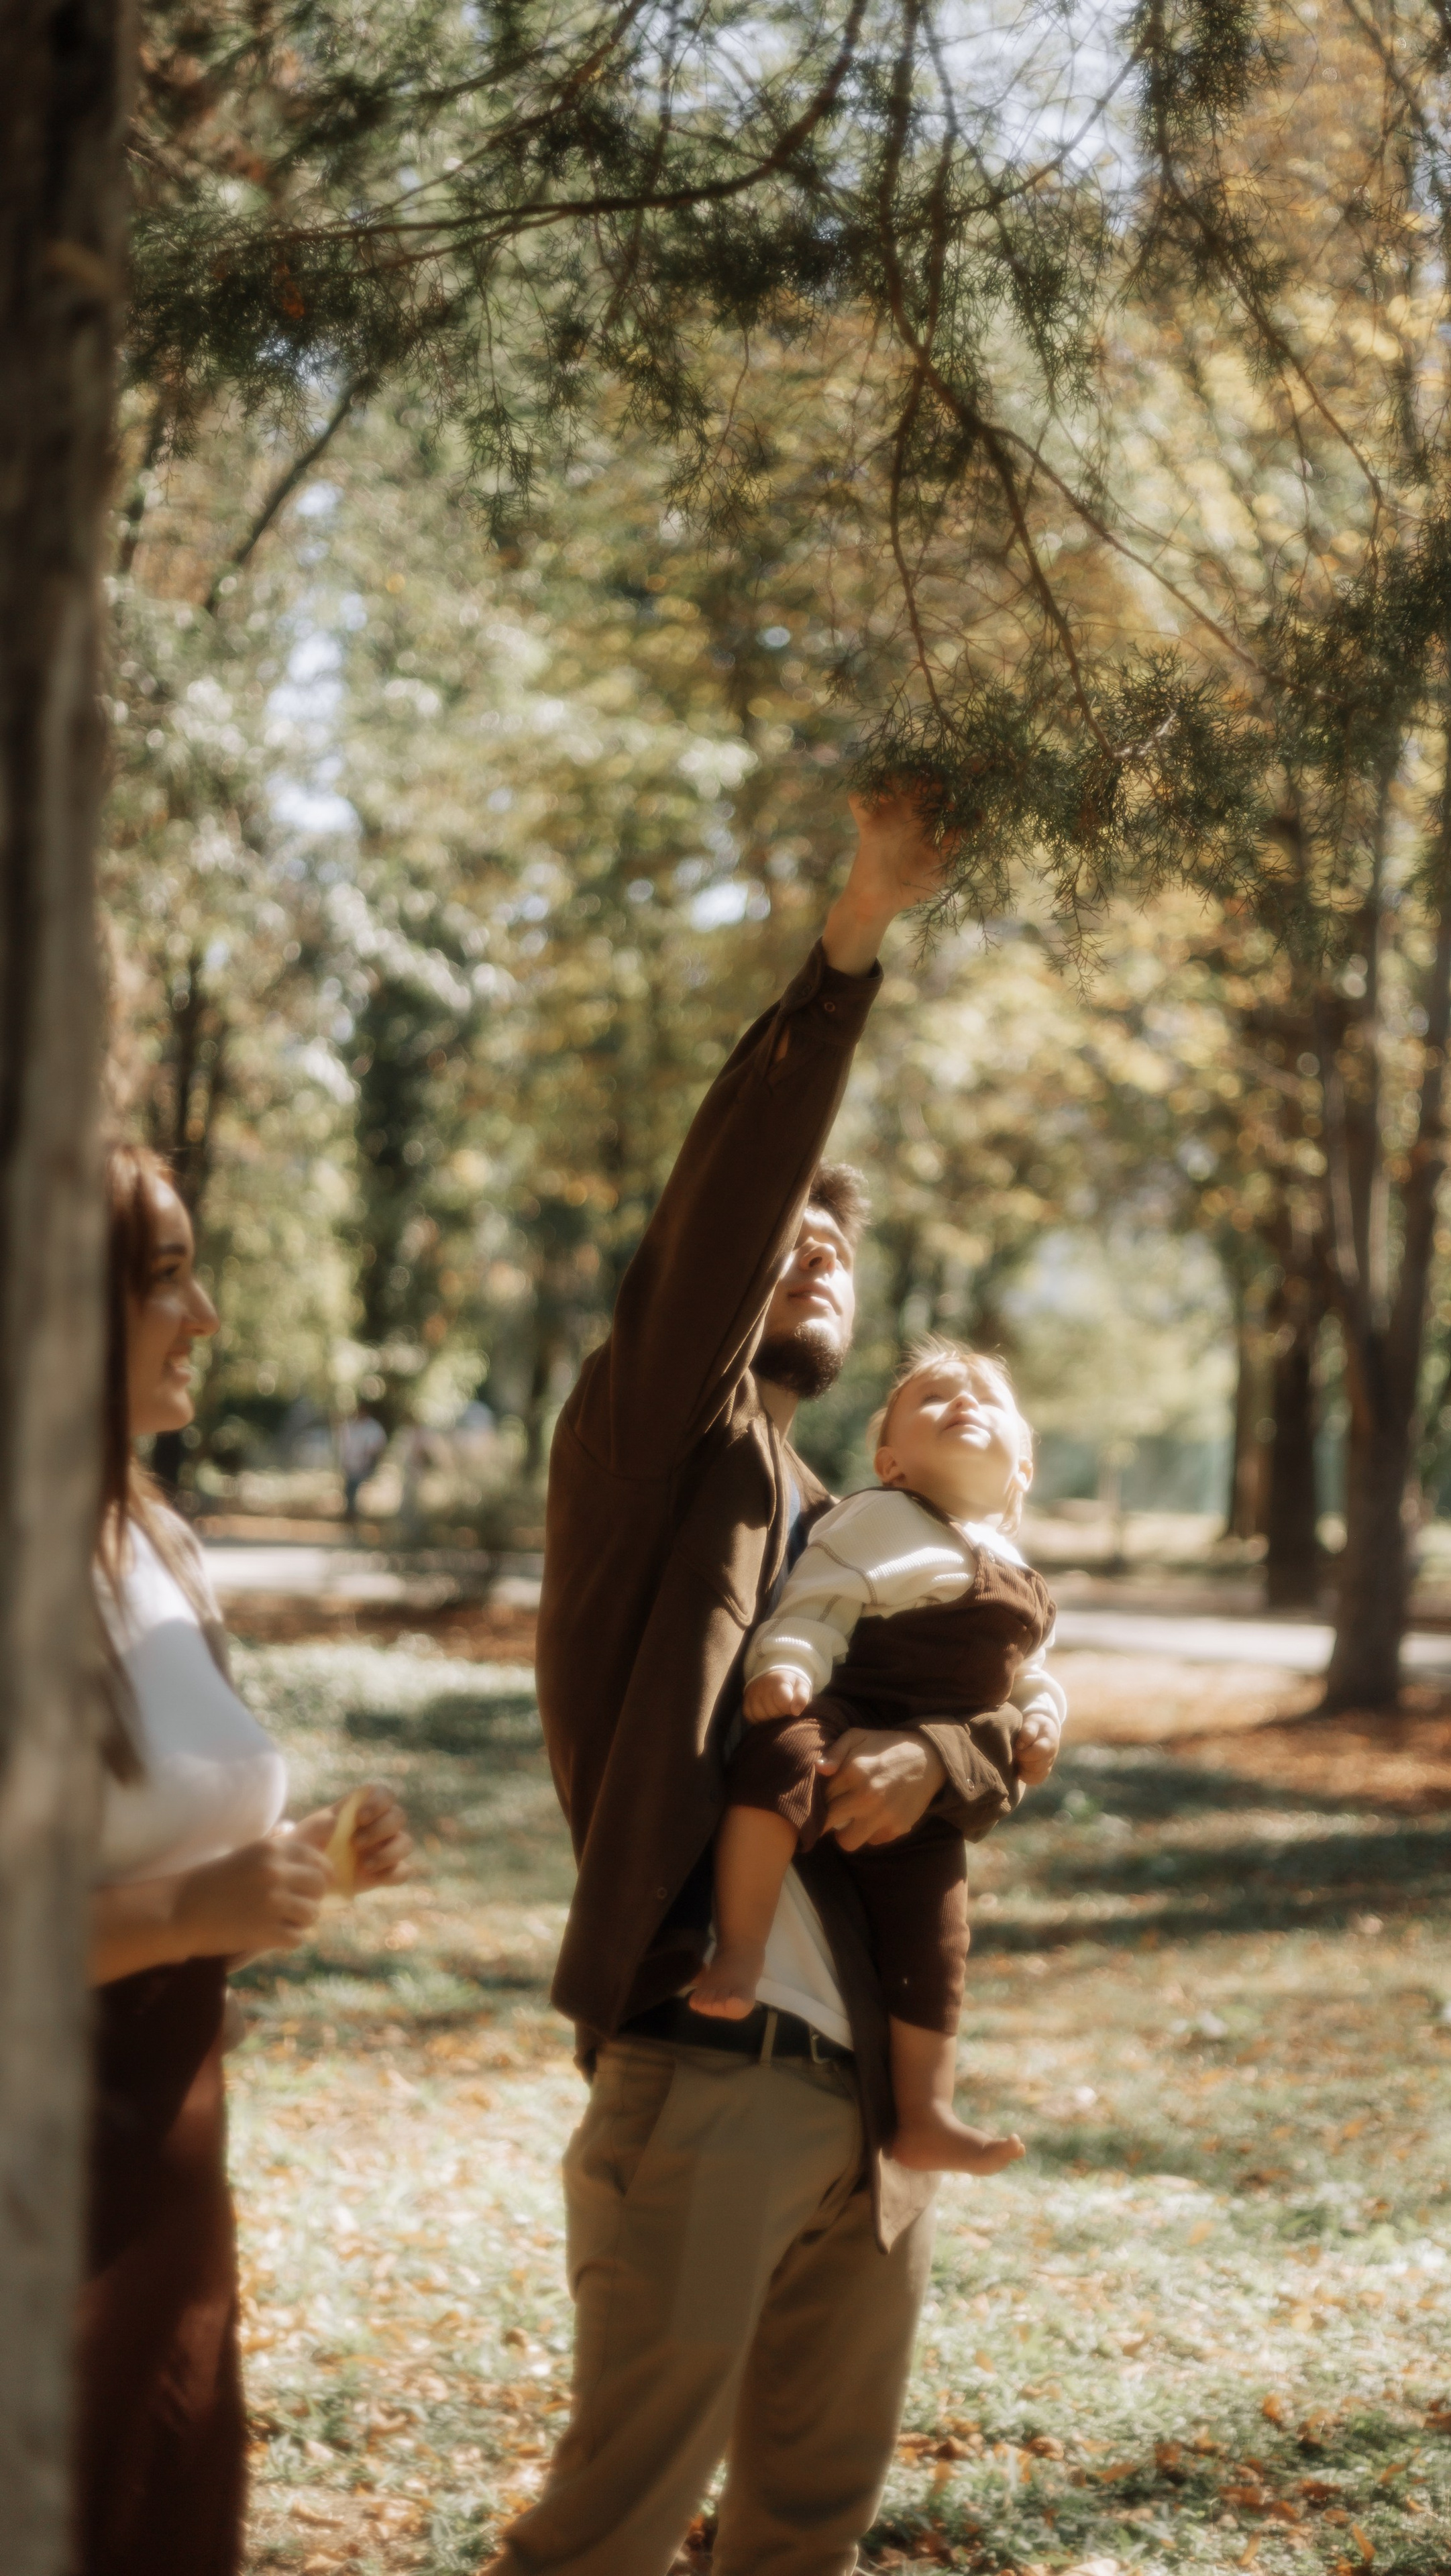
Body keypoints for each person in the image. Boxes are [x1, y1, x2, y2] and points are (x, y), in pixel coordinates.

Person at [482, 794, 1044, 2576]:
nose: (813, 1246)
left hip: (872, 2119)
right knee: (612, 2532)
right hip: (708, 2069)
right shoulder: (662, 1443)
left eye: (840, 1241)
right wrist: (852, 944)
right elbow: (723, 1216)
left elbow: (1014, 1702)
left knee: (804, 2532)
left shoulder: (868, 1527)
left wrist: (943, 1764)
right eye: (785, 1229)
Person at [79, 1143, 412, 2576]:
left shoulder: (152, 1541)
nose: (205, 1316)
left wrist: (300, 1863)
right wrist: (182, 1910)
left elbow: (149, 1835)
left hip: (169, 2155)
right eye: (165, 1279)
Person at [691, 1338, 1065, 2176]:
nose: (962, 1402)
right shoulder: (877, 1519)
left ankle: (926, 2112)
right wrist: (788, 1664)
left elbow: (1032, 1678)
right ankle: (742, 1943)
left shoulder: (1027, 1579)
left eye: (985, 1398)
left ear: (1023, 1468)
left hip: (937, 1778)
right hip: (854, 1706)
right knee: (779, 1760)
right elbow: (817, 1602)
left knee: (937, 1933)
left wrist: (1042, 1720)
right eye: (932, 1398)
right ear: (890, 1462)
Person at [336, 1403, 387, 1517]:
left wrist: (371, 1460)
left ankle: (355, 1512)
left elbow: (377, 1447)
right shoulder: (351, 1426)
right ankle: (350, 1511)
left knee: (358, 1488)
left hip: (365, 1464)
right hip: (351, 1464)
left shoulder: (373, 1428)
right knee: (349, 1489)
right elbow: (344, 1445)